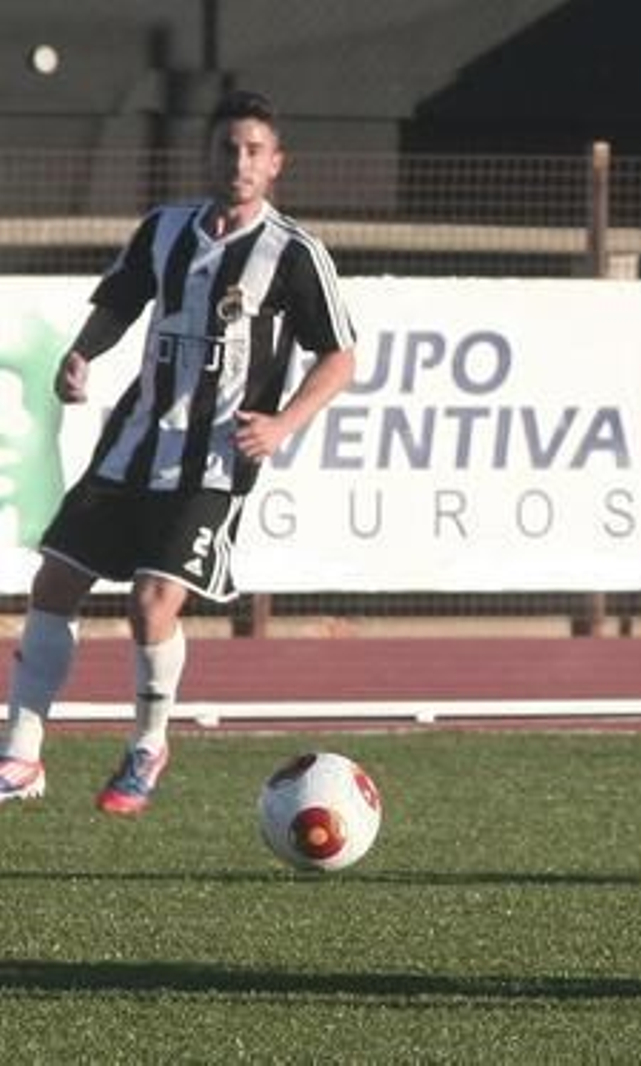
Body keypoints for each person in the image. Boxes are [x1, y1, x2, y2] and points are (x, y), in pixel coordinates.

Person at [0, 89, 356, 814]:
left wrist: (284, 424)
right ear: (208, 154)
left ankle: (147, 743)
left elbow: (340, 357)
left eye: (255, 150)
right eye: (228, 147)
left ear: (277, 163)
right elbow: (120, 302)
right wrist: (81, 354)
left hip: (217, 460)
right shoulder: (164, 229)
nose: (240, 161)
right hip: (132, 445)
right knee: (55, 585)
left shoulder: (293, 253)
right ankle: (20, 755)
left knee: (151, 602)